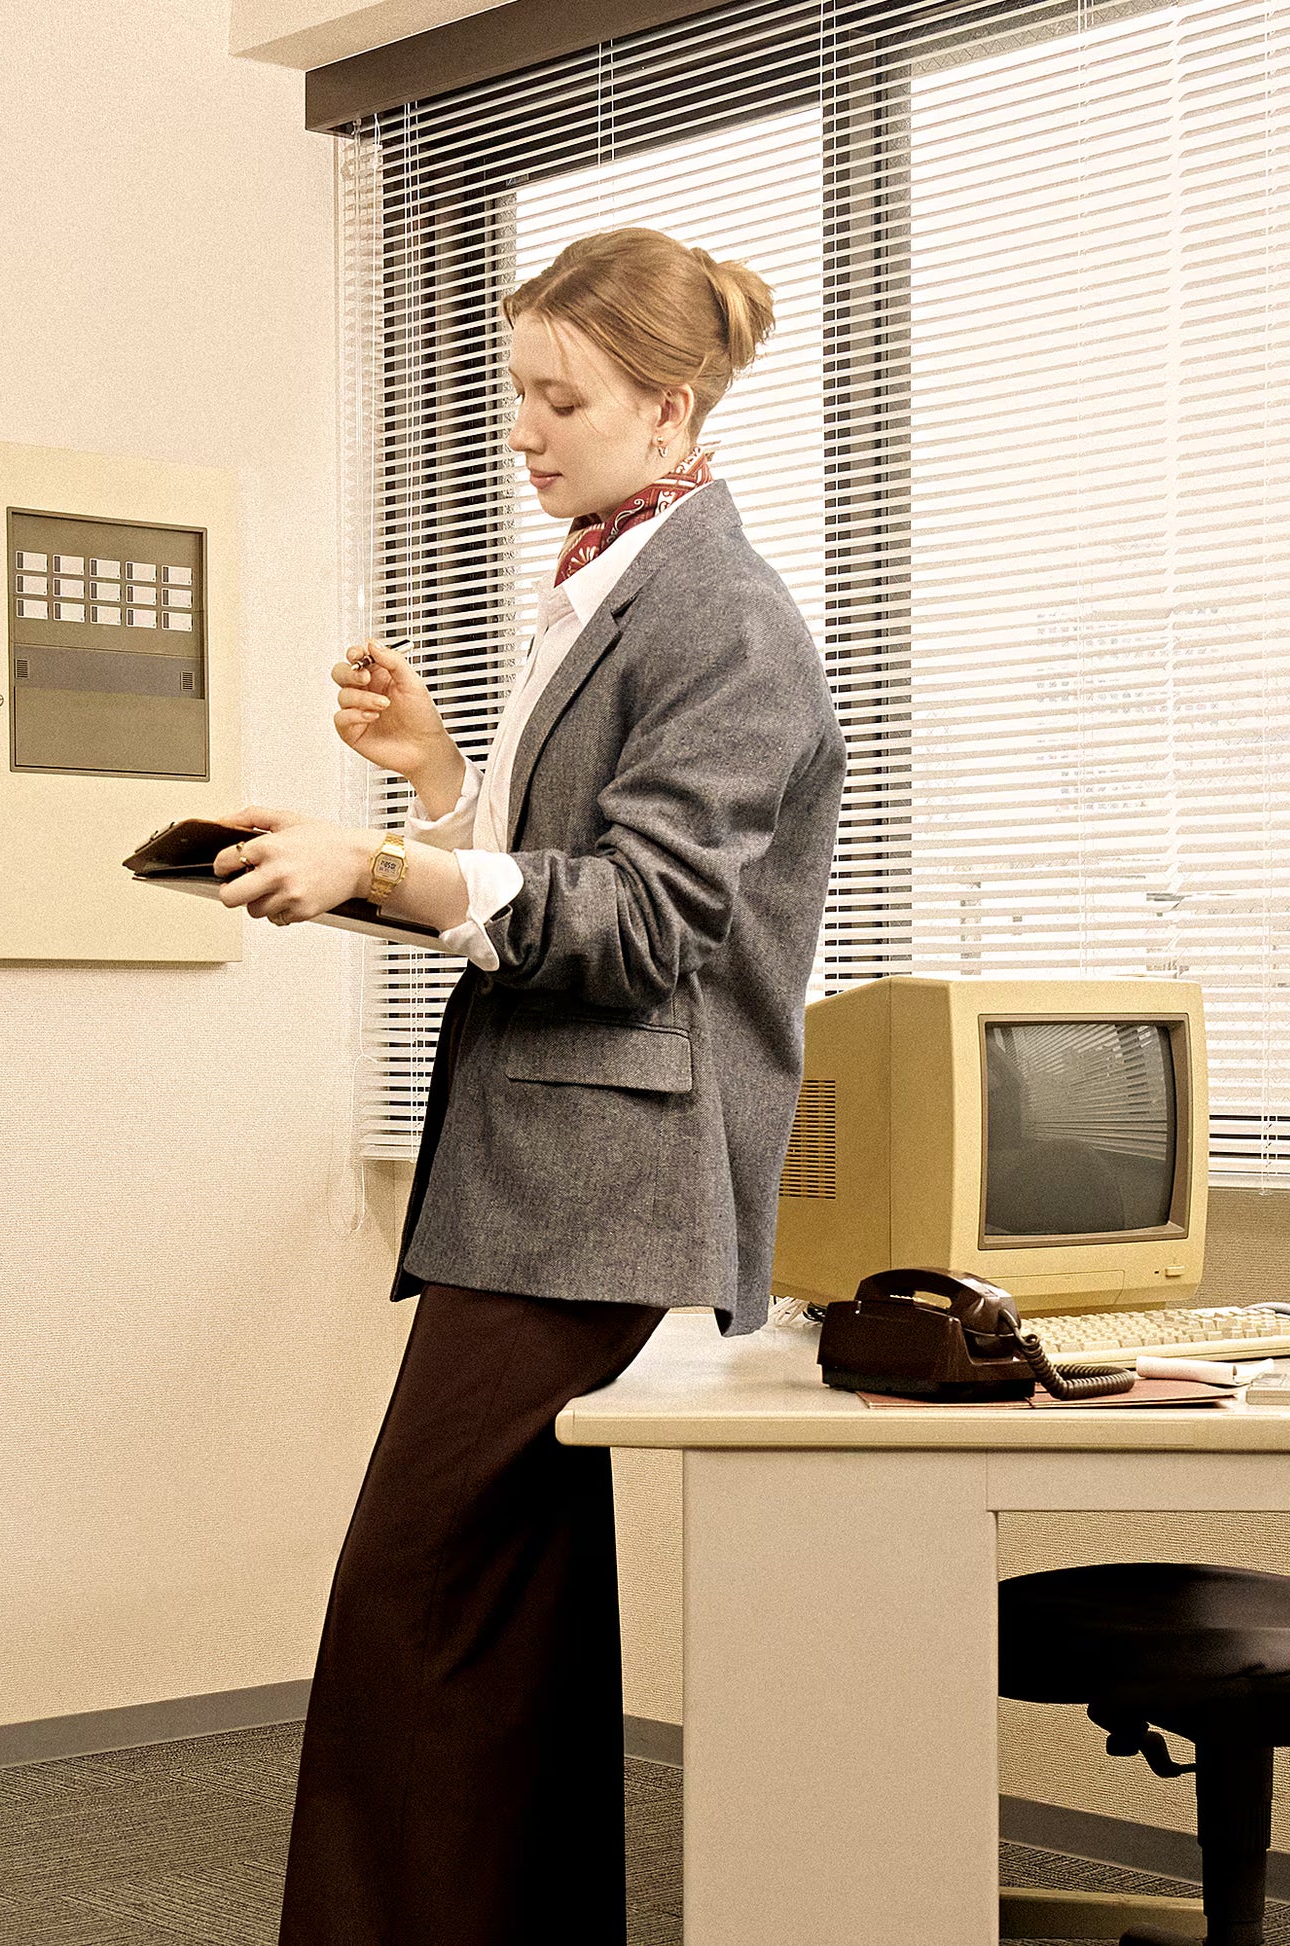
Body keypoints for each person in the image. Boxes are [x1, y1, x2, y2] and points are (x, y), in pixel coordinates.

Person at [213, 227, 846, 1946]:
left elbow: (641, 927)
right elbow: (559, 881)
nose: (522, 428)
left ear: (667, 403)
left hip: (604, 1186)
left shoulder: (724, 617)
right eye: (513, 390)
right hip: (555, 1168)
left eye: (558, 397)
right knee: (507, 1601)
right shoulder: (619, 583)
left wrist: (378, 863)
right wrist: (426, 780)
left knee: (412, 1594)